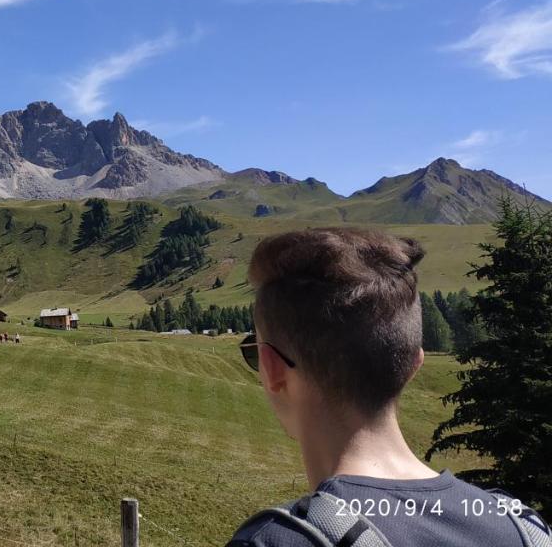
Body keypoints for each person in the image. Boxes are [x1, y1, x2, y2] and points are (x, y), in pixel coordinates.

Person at [226, 228, 550, 547]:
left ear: (272, 369)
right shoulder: (524, 528)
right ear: (414, 365)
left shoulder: (275, 540)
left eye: (253, 352)